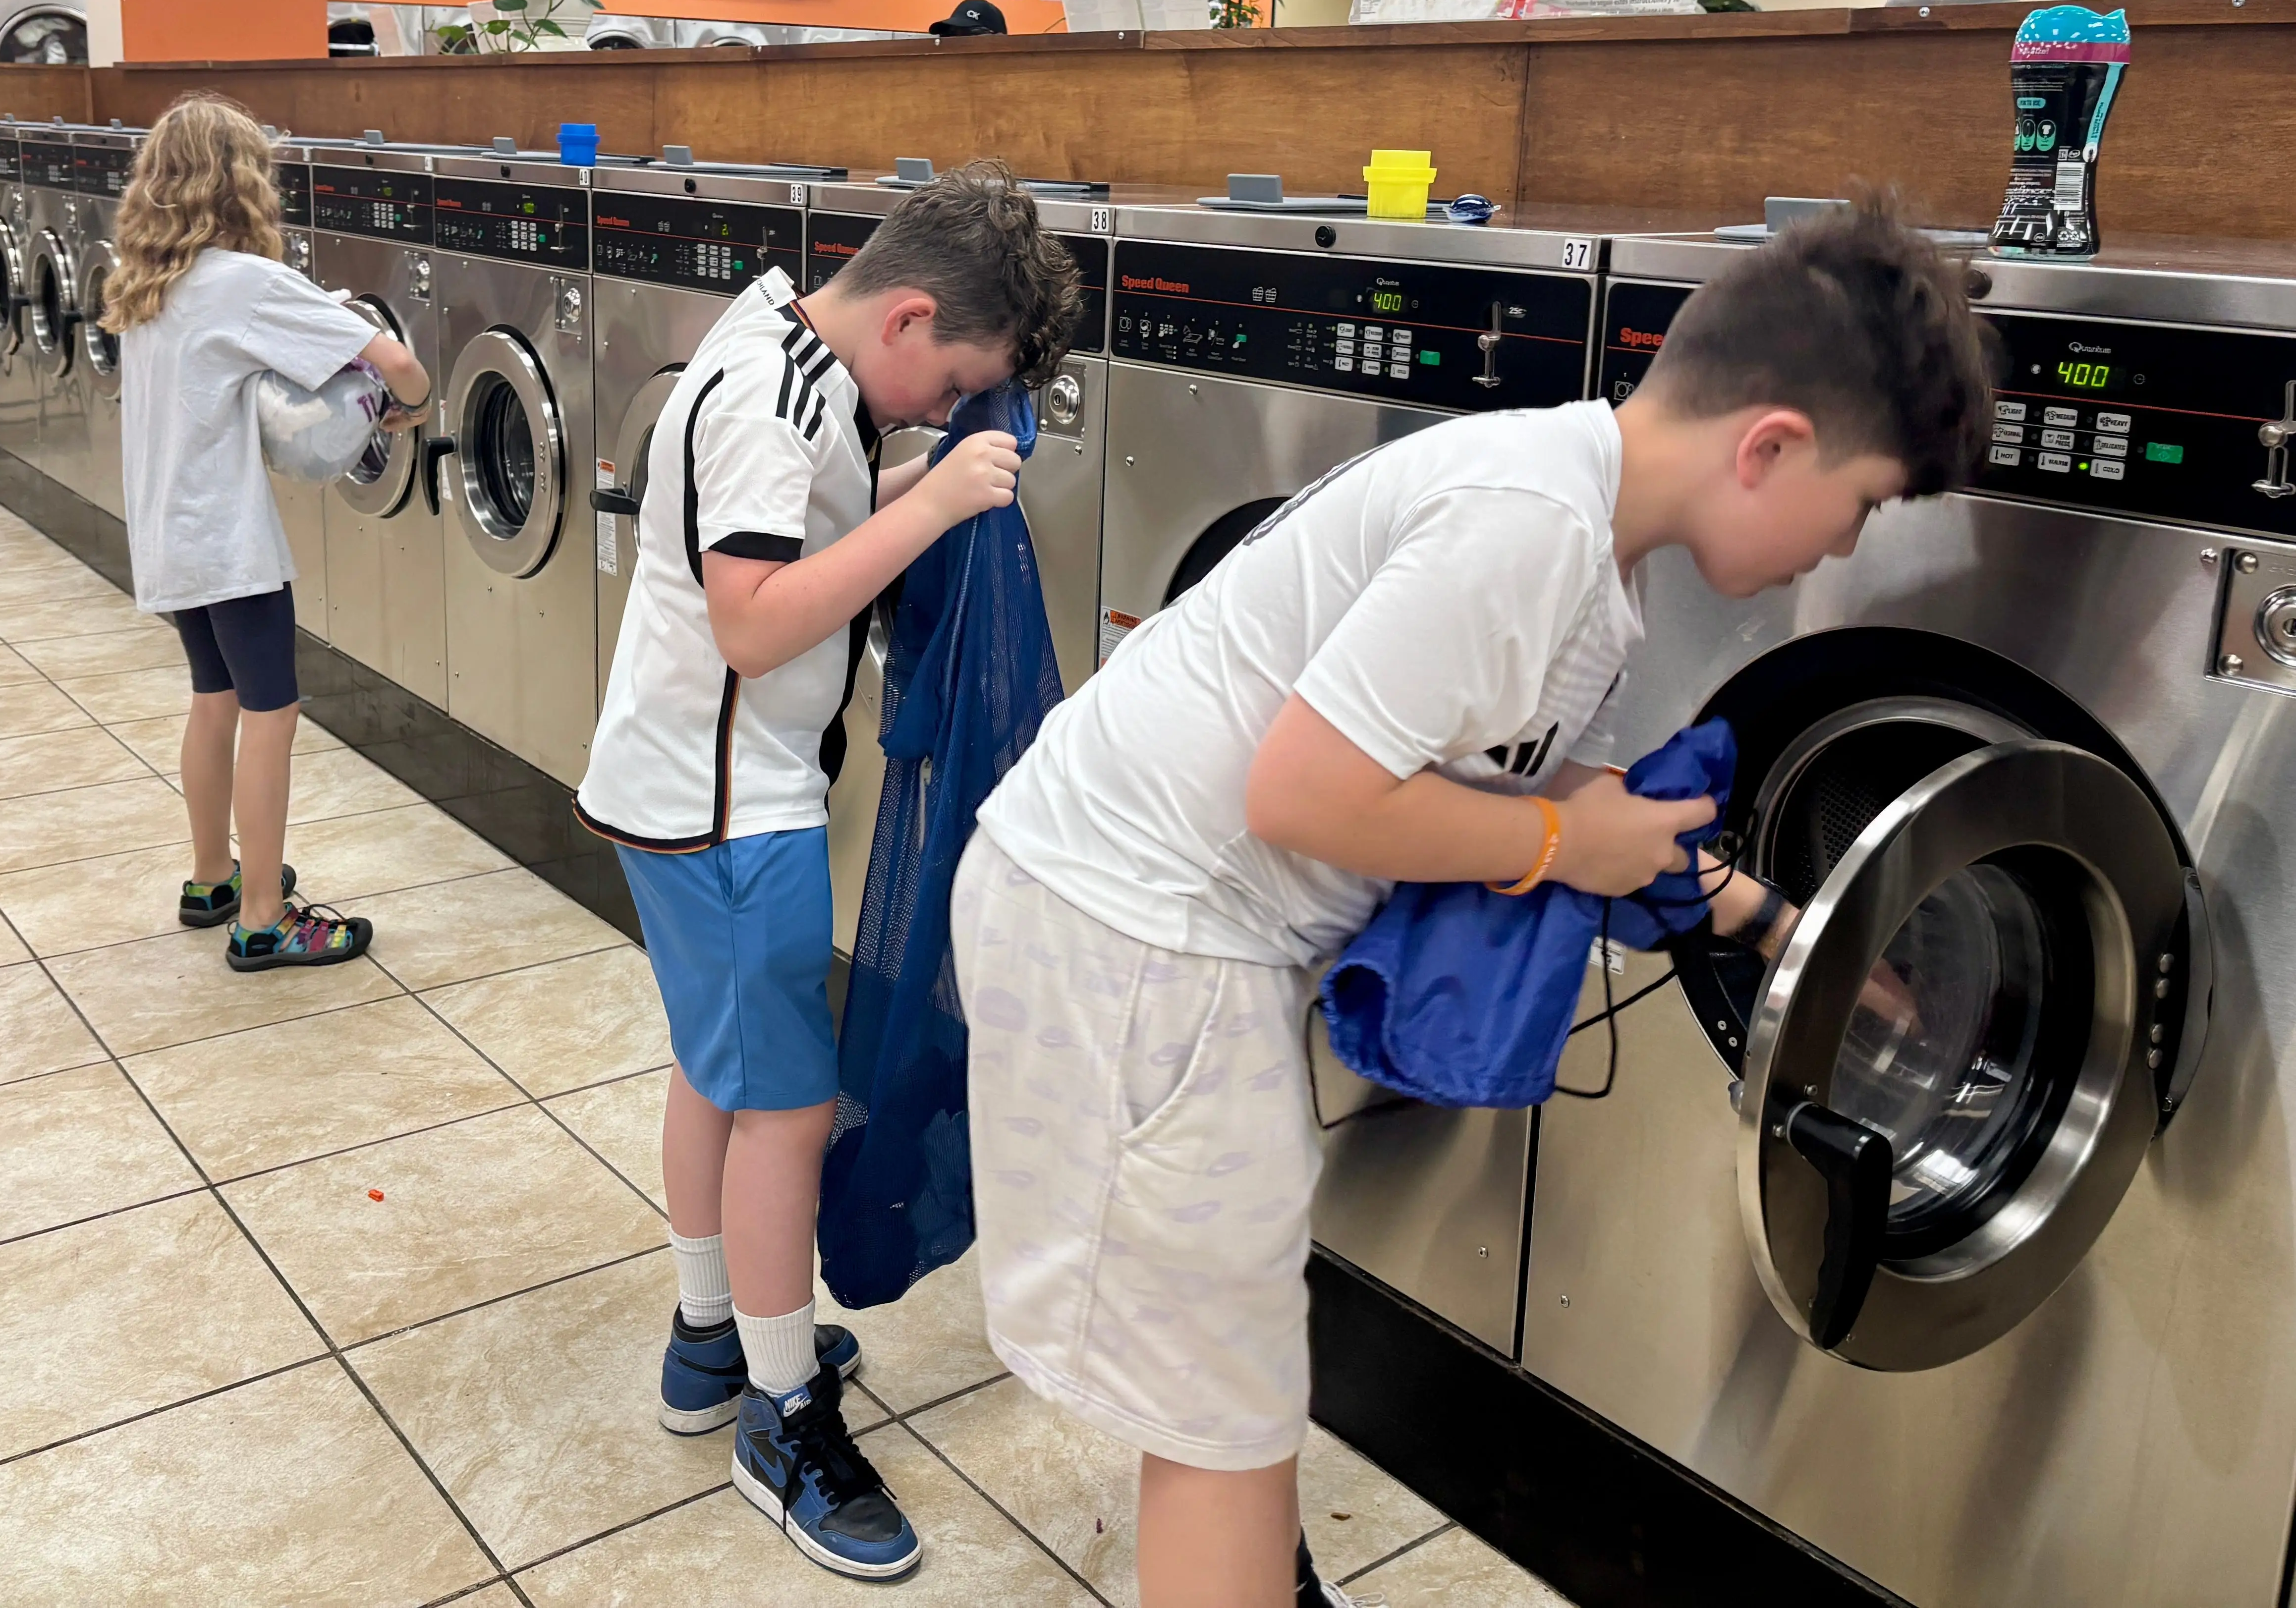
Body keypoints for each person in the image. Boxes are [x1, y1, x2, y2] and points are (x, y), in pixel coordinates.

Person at [950, 196, 1993, 1608]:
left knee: (1226, 1378)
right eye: (1862, 504)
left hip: (1154, 928)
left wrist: (1777, 929)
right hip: (1136, 937)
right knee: (1223, 1415)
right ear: (1771, 447)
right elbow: (1307, 797)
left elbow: (1532, 787)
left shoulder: (1580, 528)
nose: (1843, 546)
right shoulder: (1532, 529)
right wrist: (1566, 841)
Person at [575, 162, 1081, 1580]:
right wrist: (925, 515)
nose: (930, 407)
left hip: (682, 795)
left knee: (716, 1074)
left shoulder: (780, 341)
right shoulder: (774, 398)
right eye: (946, 383)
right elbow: (750, 620)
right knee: (787, 1120)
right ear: (909, 317)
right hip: (733, 816)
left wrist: (916, 475)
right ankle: (782, 1416)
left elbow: (807, 511)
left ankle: (708, 1337)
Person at [100, 93, 430, 972]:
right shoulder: (243, 281)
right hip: (228, 542)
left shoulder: (146, 279)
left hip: (170, 533)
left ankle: (213, 877)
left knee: (213, 701)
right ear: (242, 183)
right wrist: (415, 405)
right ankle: (261, 920)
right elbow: (394, 360)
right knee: (271, 714)